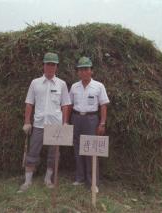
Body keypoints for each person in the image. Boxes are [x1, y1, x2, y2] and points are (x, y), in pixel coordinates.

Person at [18, 52, 71, 193]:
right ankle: (27, 181)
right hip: (39, 124)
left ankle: (48, 179)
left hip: (56, 126)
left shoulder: (62, 84)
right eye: (48, 64)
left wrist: (65, 123)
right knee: (33, 152)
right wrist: (27, 122)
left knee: (54, 154)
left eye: (53, 65)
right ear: (43, 65)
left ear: (56, 67)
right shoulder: (35, 83)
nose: (50, 67)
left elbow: (65, 105)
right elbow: (29, 103)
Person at [69, 56, 110, 192]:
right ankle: (80, 178)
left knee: (91, 149)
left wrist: (102, 123)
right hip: (76, 118)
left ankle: (93, 182)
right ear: (78, 72)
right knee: (77, 148)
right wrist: (67, 121)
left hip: (92, 120)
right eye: (80, 70)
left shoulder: (99, 86)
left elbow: (103, 105)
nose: (83, 72)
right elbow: (69, 105)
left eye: (86, 69)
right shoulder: (74, 87)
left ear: (91, 71)